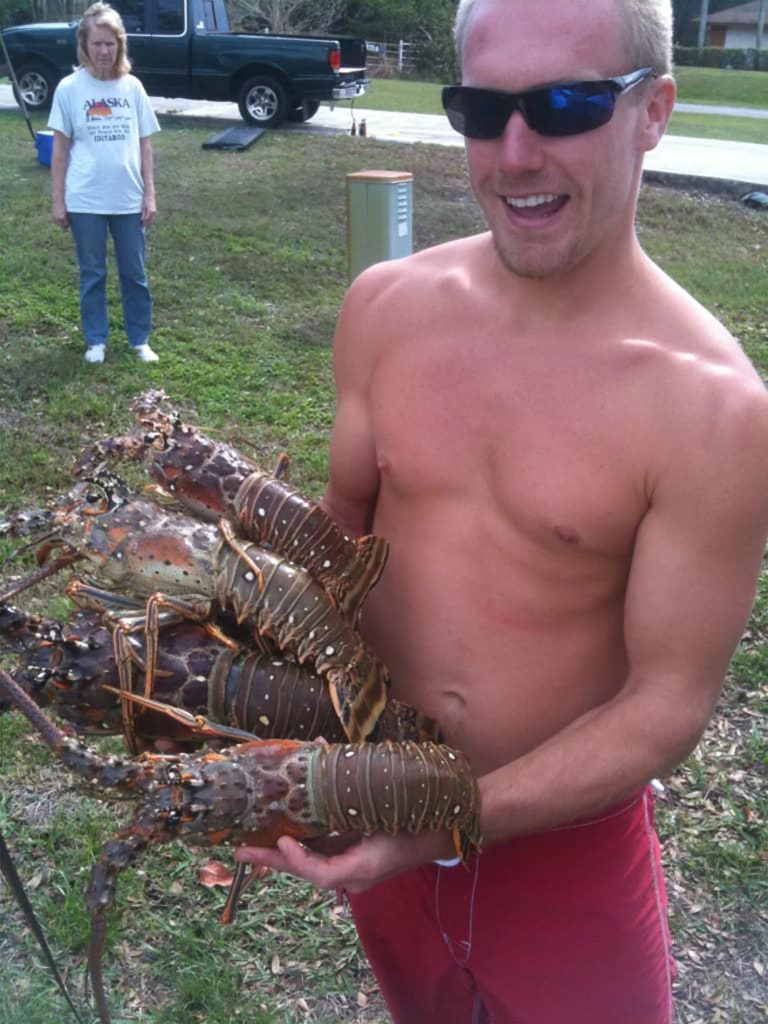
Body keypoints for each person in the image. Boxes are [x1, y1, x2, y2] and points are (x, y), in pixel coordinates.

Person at [236, 1, 768, 1020]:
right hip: (373, 798)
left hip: (563, 855)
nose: (516, 153)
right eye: (484, 109)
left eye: (564, 105)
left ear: (653, 111)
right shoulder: (384, 309)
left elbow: (666, 703)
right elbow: (340, 537)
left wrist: (446, 821)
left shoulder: (713, 411)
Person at [48, 2, 160, 365]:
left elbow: (145, 145)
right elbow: (60, 151)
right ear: (84, 44)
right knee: (93, 273)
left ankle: (139, 339)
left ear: (120, 45)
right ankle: (96, 340)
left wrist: (149, 194)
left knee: (134, 273)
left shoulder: (133, 88)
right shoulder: (69, 88)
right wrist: (58, 200)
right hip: (85, 200)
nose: (103, 51)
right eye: (96, 44)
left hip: (128, 198)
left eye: (110, 44)